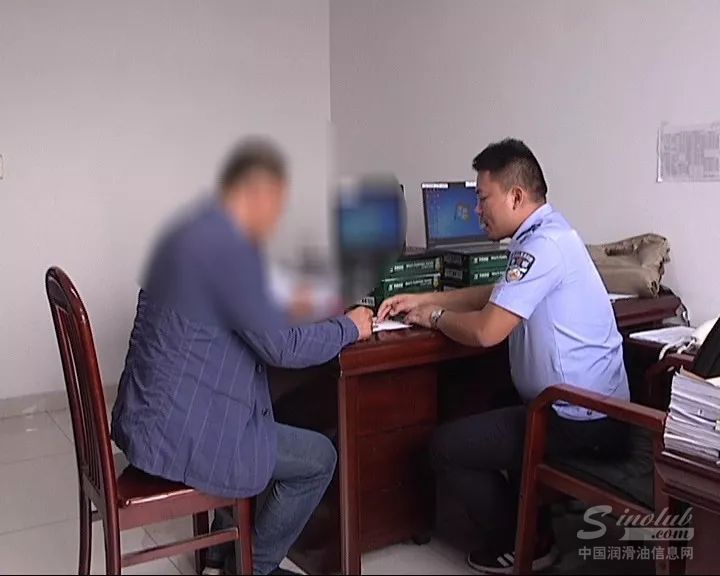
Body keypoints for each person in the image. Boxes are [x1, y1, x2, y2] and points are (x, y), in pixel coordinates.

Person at [111, 137, 373, 576]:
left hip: (146, 421)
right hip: (182, 434)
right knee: (319, 459)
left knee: (260, 407)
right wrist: (351, 326)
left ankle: (220, 554)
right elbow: (284, 347)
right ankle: (254, 568)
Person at [377, 138, 630, 574]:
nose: (477, 210)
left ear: (515, 196)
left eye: (482, 198)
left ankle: (523, 542)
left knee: (445, 446)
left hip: (576, 418)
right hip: (588, 408)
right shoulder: (548, 234)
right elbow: (496, 294)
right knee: (486, 402)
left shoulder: (541, 247)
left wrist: (434, 317)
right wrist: (423, 297)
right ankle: (530, 519)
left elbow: (486, 331)